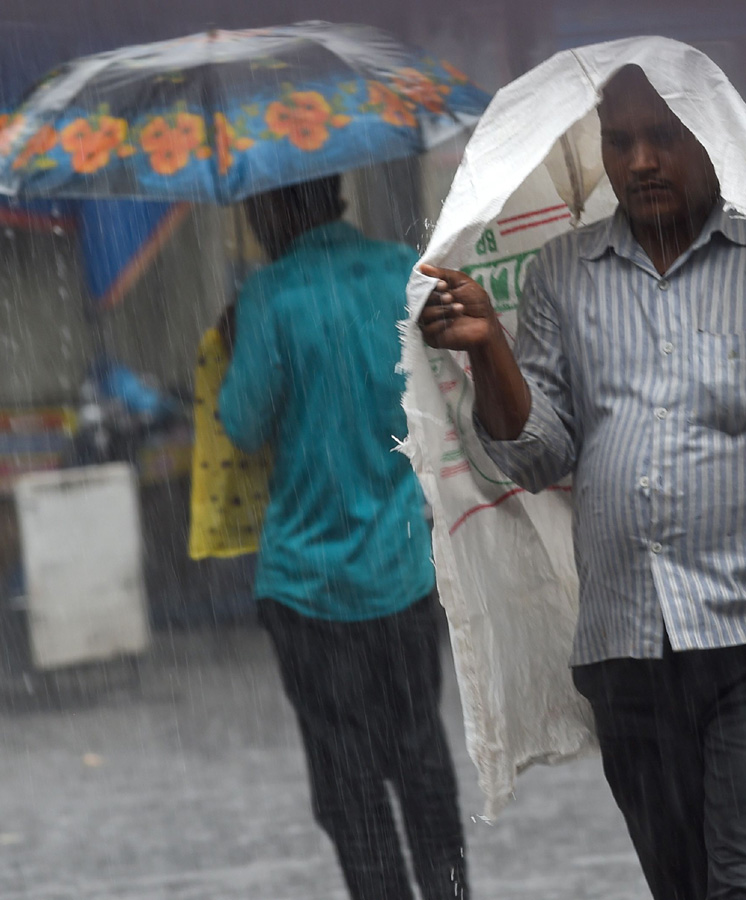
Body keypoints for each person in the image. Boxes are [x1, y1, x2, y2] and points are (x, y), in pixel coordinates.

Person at [419, 65, 746, 900]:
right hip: (630, 648)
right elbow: (539, 455)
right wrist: (488, 348)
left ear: (712, 140)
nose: (639, 160)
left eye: (662, 136)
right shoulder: (565, 272)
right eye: (620, 141)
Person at [219, 176, 468, 900]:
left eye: (255, 206)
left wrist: (242, 340)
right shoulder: (401, 271)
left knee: (349, 782)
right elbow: (444, 388)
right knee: (420, 759)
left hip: (308, 585)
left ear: (277, 205)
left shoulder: (270, 294)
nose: (251, 221)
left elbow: (242, 423)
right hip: (401, 569)